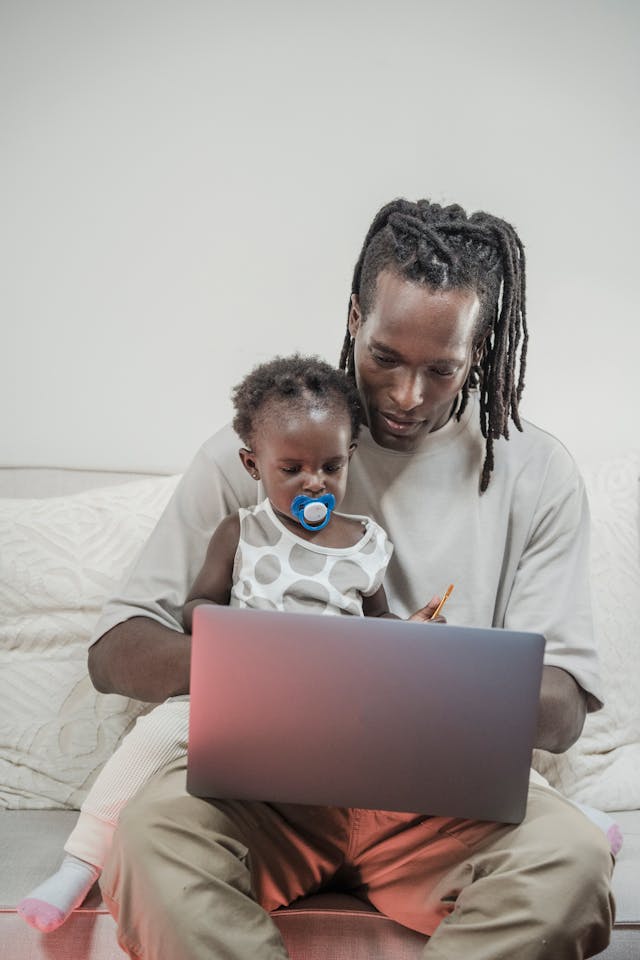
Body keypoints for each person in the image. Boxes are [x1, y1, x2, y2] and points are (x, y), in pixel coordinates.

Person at [86, 198, 615, 960]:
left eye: (442, 369)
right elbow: (115, 654)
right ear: (355, 315)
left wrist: (415, 682)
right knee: (149, 843)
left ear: (482, 347)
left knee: (570, 863)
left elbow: (562, 709)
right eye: (387, 357)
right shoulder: (264, 448)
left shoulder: (536, 472)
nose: (407, 396)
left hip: (443, 804)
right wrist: (280, 668)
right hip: (259, 796)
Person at [17, 355, 441, 934]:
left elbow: (379, 619)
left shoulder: (368, 544)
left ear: (349, 459)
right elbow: (199, 604)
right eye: (292, 469)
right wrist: (230, 637)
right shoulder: (243, 530)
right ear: (253, 464)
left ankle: (552, 807)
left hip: (339, 703)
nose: (313, 483)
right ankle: (79, 863)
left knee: (438, 728)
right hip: (246, 690)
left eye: (329, 466)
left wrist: (410, 632)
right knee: (155, 735)